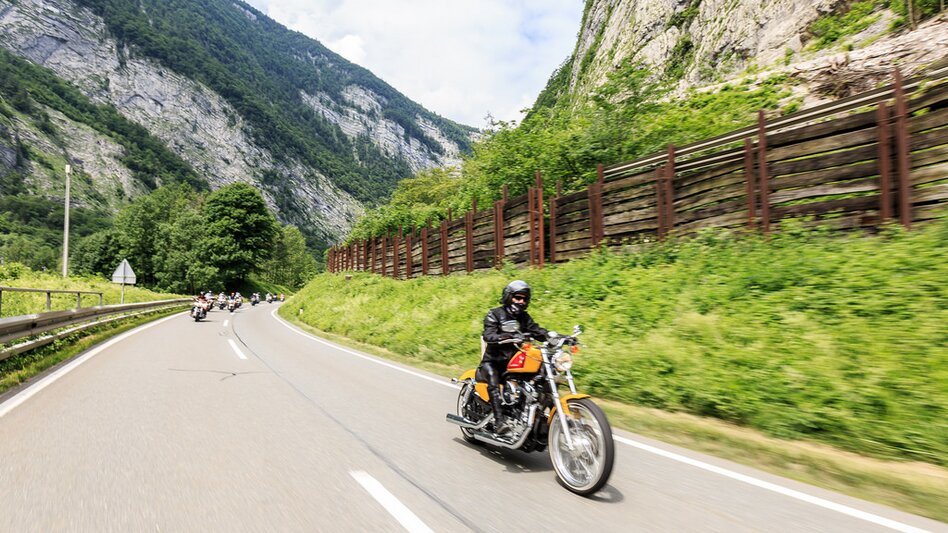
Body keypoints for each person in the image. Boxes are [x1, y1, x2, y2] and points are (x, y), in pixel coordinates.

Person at [480, 280, 548, 434]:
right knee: (492, 377)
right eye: (518, 297)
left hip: (513, 363)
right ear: (508, 297)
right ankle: (499, 422)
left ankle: (531, 418)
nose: (521, 302)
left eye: (524, 299)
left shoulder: (524, 318)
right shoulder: (495, 314)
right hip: (493, 362)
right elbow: (488, 335)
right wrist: (504, 336)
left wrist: (554, 336)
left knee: (537, 378)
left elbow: (537, 330)